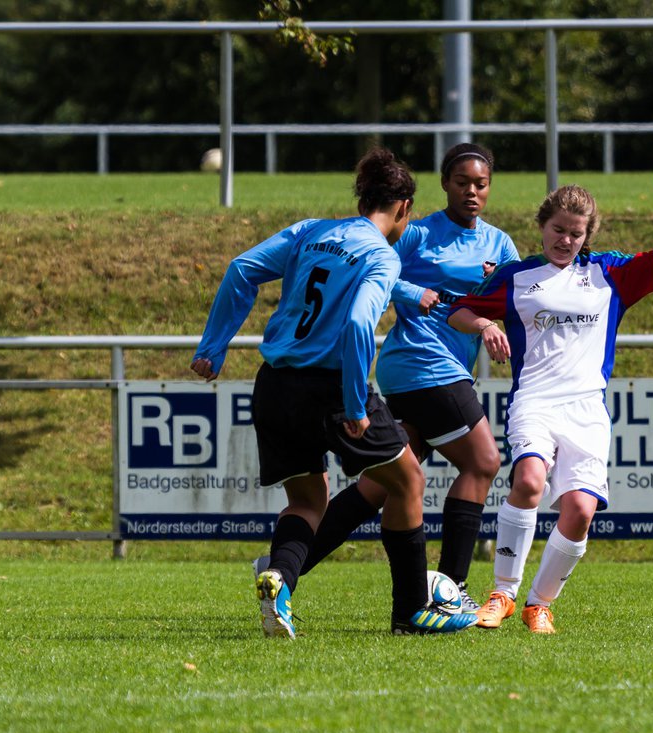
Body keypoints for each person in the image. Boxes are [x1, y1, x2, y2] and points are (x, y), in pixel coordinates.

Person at [190, 147, 478, 638]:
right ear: (404, 208)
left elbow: (242, 268)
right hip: (330, 385)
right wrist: (352, 403)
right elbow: (359, 323)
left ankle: (280, 576)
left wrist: (212, 349)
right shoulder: (381, 255)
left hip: (275, 384)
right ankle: (411, 610)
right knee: (406, 479)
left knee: (307, 499)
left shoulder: (312, 231)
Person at [265, 142, 521, 613]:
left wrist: (495, 295)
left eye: (480, 184)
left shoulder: (500, 244)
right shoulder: (416, 233)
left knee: (387, 483)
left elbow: (516, 300)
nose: (471, 191)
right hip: (421, 362)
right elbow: (373, 264)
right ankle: (451, 586)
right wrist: (419, 291)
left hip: (443, 368)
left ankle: (285, 567)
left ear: (490, 189)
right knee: (483, 461)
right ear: (444, 183)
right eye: (461, 181)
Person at [447, 157, 653, 634]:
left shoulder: (608, 274)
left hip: (586, 410)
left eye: (576, 233)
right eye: (558, 229)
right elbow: (459, 312)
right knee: (530, 481)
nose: (566, 240)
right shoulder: (517, 277)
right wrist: (486, 325)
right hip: (534, 400)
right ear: (542, 226)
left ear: (586, 235)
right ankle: (502, 595)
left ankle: (540, 603)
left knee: (579, 512)